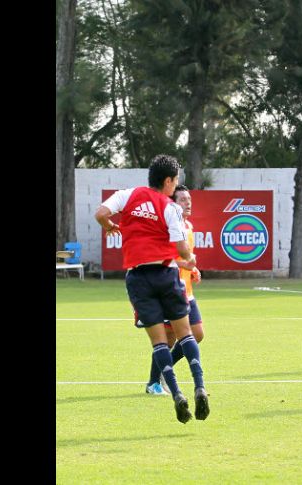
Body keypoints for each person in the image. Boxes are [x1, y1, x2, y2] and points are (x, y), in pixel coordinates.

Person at [94, 155, 210, 424]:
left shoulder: (128, 195)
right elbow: (182, 249)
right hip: (167, 274)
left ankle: (177, 395)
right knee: (186, 335)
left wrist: (111, 226)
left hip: (138, 278)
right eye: (176, 181)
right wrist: (190, 259)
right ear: (168, 181)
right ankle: (199, 386)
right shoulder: (170, 208)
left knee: (159, 342)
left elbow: (101, 214)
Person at [145, 185, 206, 395]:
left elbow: (185, 259)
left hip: (186, 292)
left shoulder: (188, 227)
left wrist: (193, 269)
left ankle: (164, 369)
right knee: (169, 340)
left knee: (197, 334)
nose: (188, 203)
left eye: (189, 199)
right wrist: (184, 266)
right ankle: (154, 382)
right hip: (169, 291)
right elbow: (164, 259)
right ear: (172, 203)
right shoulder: (167, 229)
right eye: (182, 199)